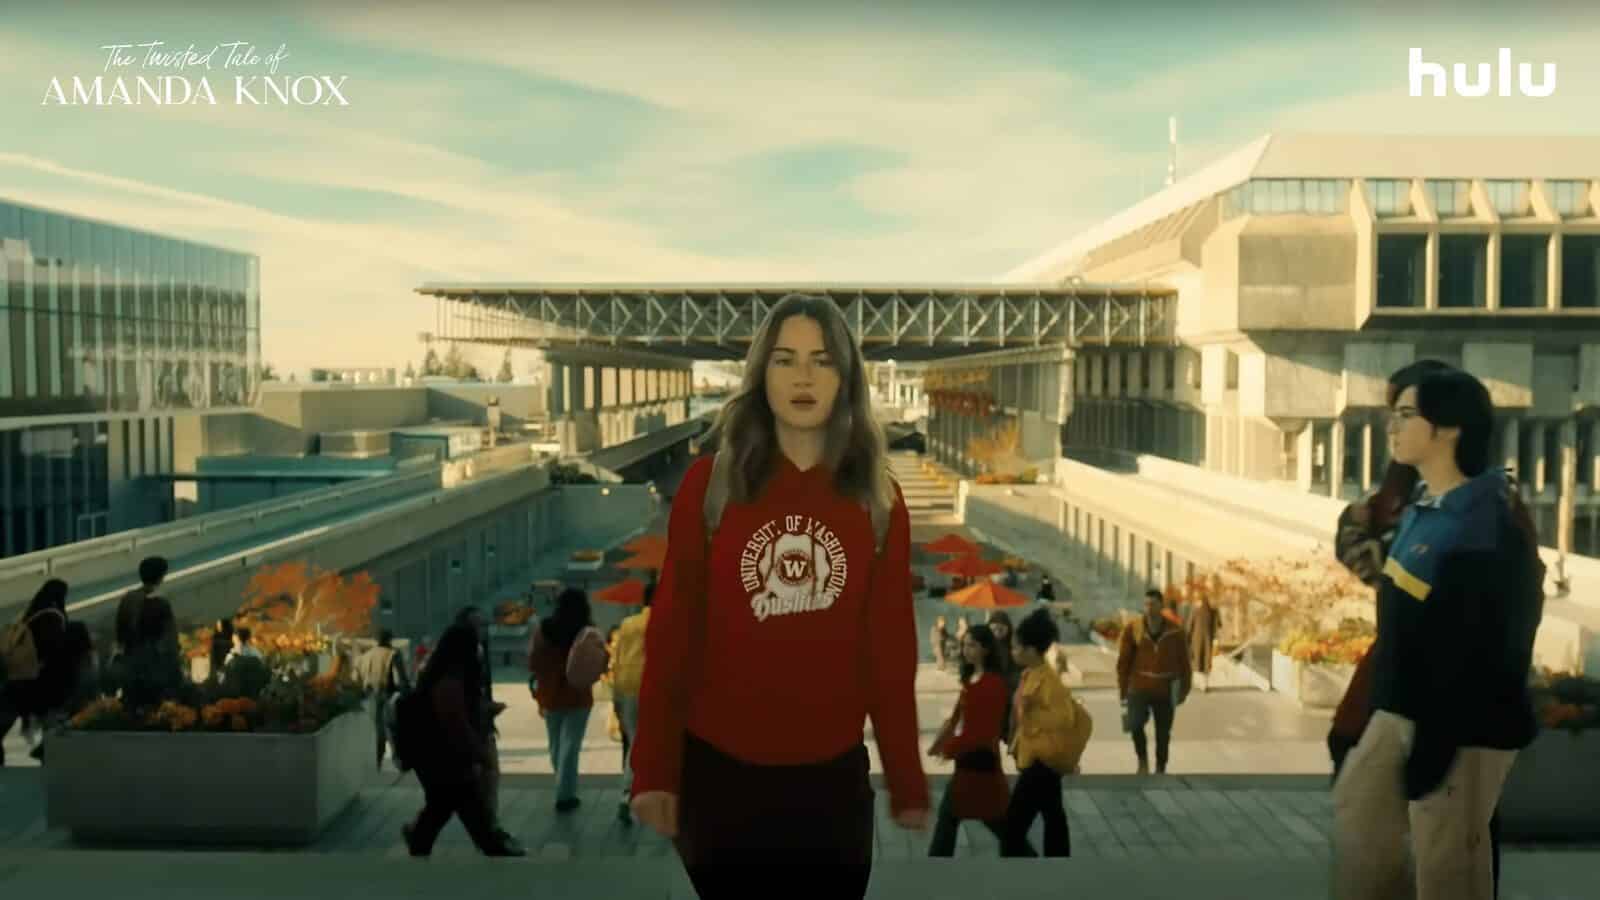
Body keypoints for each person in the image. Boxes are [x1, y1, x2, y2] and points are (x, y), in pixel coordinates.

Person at [630, 294, 929, 900]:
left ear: (846, 378)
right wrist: (655, 770)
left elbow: (890, 653)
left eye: (822, 360)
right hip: (720, 784)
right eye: (785, 359)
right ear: (760, 373)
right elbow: (672, 634)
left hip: (830, 787)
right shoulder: (708, 487)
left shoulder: (878, 501)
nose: (802, 377)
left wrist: (906, 773)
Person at [1332, 366, 1542, 900]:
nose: (1391, 428)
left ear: (1447, 428)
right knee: (1361, 829)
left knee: (1447, 864)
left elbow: (1493, 646)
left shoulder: (1487, 524)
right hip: (1398, 706)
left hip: (1460, 724)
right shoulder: (1422, 506)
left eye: (1404, 415)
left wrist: (1439, 740)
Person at [400, 624, 523, 858]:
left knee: (442, 805)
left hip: (434, 755)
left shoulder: (438, 674)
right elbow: (456, 725)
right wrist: (479, 752)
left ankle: (419, 841)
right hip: (446, 756)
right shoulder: (450, 681)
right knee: (462, 803)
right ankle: (493, 848)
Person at [927, 624, 1022, 857]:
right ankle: (1024, 858)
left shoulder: (992, 685)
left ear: (985, 649)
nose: (965, 650)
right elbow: (957, 719)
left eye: (971, 645)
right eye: (964, 644)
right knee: (990, 820)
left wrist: (949, 748)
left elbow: (981, 731)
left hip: (979, 762)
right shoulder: (972, 681)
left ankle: (935, 867)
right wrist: (940, 744)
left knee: (954, 817)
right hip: (972, 763)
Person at [1005, 608, 1076, 857]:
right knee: (1054, 819)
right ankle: (1057, 867)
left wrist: (1031, 713)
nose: (1012, 652)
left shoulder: (1048, 682)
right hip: (1037, 759)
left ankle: (1029, 869)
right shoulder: (1030, 675)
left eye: (1016, 647)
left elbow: (1064, 719)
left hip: (1042, 762)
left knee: (1012, 828)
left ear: (1032, 650)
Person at [528, 587, 600, 814]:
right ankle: (565, 794)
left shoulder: (545, 628)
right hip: (578, 694)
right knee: (571, 745)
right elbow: (599, 661)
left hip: (550, 693)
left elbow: (533, 661)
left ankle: (563, 786)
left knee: (555, 744)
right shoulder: (588, 631)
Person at [1115, 588, 1191, 775]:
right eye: (1146, 604)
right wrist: (1123, 691)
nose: (1149, 609)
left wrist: (1183, 690)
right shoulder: (1134, 629)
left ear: (1161, 606)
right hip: (1139, 687)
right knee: (1134, 724)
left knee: (1163, 733)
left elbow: (1185, 664)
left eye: (1153, 604)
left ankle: (1160, 767)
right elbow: (1123, 662)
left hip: (1164, 689)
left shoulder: (1175, 632)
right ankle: (1142, 760)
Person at [0, 579, 70, 767]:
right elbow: (52, 649)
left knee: (9, 713)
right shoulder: (53, 617)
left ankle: (45, 749)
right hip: (37, 676)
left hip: (18, 673)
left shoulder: (31, 612)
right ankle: (47, 751)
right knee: (50, 716)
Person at [611, 584, 652, 825]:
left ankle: (627, 795)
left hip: (627, 686)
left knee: (635, 742)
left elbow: (618, 660)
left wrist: (616, 696)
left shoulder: (627, 625)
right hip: (655, 688)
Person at [355, 629, 411, 770]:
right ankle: (398, 760)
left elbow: (356, 678)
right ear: (389, 639)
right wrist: (407, 693)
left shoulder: (365, 656)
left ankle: (376, 761)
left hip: (369, 696)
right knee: (392, 728)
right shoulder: (393, 654)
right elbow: (401, 678)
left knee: (376, 729)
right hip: (389, 696)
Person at [985, 610, 1021, 746]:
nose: (998, 632)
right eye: (994, 628)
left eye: (1001, 628)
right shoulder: (985, 645)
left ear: (1008, 628)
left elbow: (1021, 666)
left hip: (1010, 691)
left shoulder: (1014, 644)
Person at [1185, 597, 1221, 693]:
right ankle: (1205, 684)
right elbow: (1218, 625)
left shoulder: (1195, 611)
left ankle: (1196, 684)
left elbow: (1189, 627)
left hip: (1196, 642)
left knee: (1196, 662)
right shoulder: (1213, 611)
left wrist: (1187, 639)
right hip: (1208, 641)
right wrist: (1216, 639)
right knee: (1206, 663)